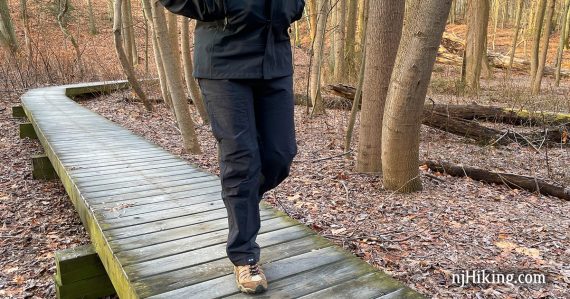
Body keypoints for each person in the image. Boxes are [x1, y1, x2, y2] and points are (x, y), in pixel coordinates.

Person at [158, 0, 305, 294]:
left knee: (281, 154)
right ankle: (244, 255)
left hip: (274, 58)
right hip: (224, 61)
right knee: (241, 160)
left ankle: (242, 198)